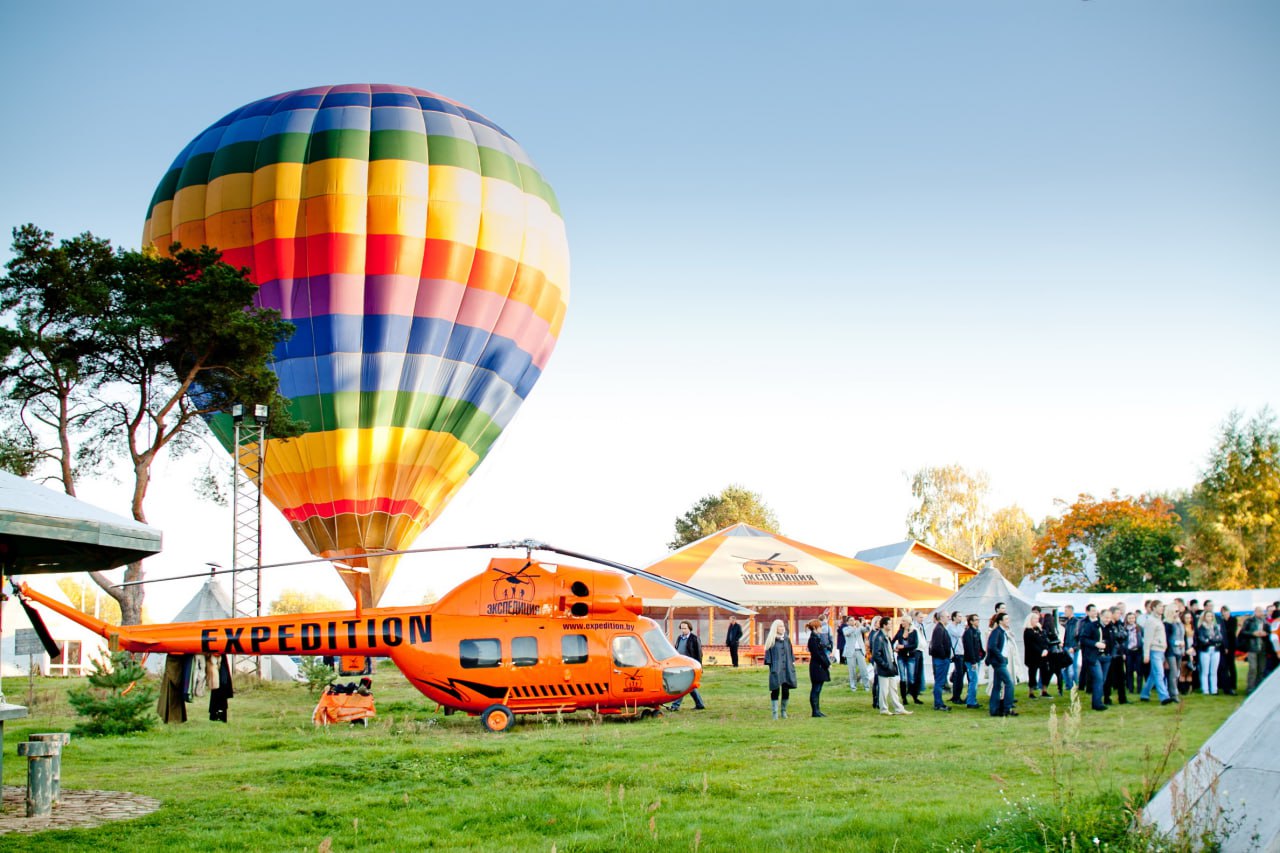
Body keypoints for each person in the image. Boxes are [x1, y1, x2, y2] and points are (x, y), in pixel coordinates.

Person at [872, 616, 911, 716]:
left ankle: (898, 708)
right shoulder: (879, 637)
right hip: (885, 667)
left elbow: (886, 650)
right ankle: (884, 709)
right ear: (884, 625)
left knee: (893, 689)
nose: (891, 625)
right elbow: (876, 654)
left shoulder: (886, 636)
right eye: (889, 624)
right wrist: (885, 665)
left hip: (890, 666)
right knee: (884, 690)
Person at [1140, 600, 1175, 705]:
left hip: (1161, 650)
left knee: (1153, 675)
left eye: (1162, 607)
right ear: (1154, 608)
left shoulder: (1159, 620)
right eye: (1160, 606)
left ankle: (1144, 694)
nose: (1162, 608)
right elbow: (1147, 638)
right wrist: (1146, 654)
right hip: (1155, 649)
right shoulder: (1151, 621)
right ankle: (1164, 697)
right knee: (1159, 674)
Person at [668, 621, 707, 711]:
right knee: (690, 686)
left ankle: (675, 706)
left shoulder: (694, 638)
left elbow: (699, 653)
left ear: (689, 628)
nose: (683, 630)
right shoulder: (679, 638)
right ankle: (700, 704)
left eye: (685, 628)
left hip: (690, 666)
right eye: (681, 628)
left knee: (682, 685)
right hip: (680, 665)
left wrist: (699, 666)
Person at [763, 619, 797, 719]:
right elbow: (768, 656)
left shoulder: (787, 639)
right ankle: (775, 713)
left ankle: (783, 711)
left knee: (786, 690)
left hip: (787, 668)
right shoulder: (771, 640)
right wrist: (772, 668)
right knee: (775, 690)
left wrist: (792, 663)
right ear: (775, 628)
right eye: (780, 626)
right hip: (776, 668)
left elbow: (790, 653)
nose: (782, 628)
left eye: (783, 626)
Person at [985, 612, 1017, 717]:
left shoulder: (1002, 632)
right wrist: (1001, 658)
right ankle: (1007, 708)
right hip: (999, 662)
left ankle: (994, 709)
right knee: (1009, 683)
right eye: (1006, 619)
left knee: (997, 685)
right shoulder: (997, 632)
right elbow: (992, 646)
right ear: (1000, 621)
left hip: (1001, 660)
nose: (1008, 621)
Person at [1078, 604, 1109, 712]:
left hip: (1105, 656)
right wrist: (1095, 643)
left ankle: (1099, 701)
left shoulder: (1108, 627)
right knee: (1098, 678)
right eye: (1106, 617)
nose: (1107, 620)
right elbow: (1083, 639)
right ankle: (1097, 703)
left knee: (1102, 680)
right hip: (1093, 656)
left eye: (1109, 618)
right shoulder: (1090, 626)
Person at [1239, 606, 1269, 694]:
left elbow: (1270, 632)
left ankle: (1258, 687)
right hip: (1252, 647)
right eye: (1259, 611)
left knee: (1261, 668)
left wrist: (1265, 633)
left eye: (1261, 611)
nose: (1261, 613)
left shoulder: (1265, 622)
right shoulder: (1249, 621)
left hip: (1262, 648)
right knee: (1253, 668)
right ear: (1255, 612)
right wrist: (1253, 633)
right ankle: (1250, 688)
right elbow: (1243, 632)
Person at [893, 615, 922, 705]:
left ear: (908, 622)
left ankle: (914, 696)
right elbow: (892, 641)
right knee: (903, 677)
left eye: (904, 621)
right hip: (901, 656)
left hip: (911, 656)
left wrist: (904, 646)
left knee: (911, 678)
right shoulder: (900, 631)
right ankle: (904, 698)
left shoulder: (913, 632)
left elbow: (915, 645)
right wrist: (894, 648)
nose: (902, 623)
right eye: (902, 621)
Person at [1103, 608, 1129, 705]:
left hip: (1119, 653)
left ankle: (1122, 698)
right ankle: (1107, 697)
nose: (1119, 614)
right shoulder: (1108, 626)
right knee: (1109, 677)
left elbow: (1124, 635)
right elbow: (1113, 638)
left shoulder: (1120, 624)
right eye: (1117, 613)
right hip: (1111, 654)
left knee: (1121, 677)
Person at [806, 618, 831, 717]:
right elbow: (817, 654)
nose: (821, 628)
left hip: (819, 666)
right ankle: (815, 711)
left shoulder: (817, 638)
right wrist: (827, 664)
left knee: (818, 689)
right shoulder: (813, 639)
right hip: (817, 666)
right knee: (816, 689)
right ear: (815, 628)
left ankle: (817, 710)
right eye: (820, 626)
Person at [1195, 609, 1223, 695]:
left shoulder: (1215, 627)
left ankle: (1214, 689)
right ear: (1204, 617)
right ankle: (1205, 689)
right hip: (1205, 651)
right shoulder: (1201, 628)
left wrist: (1211, 640)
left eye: (1211, 616)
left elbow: (1220, 638)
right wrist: (1212, 640)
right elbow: (1202, 640)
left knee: (1214, 671)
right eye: (1208, 616)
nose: (1209, 618)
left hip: (1215, 650)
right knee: (1205, 671)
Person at [928, 611, 953, 711]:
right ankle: (938, 703)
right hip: (941, 660)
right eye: (947, 616)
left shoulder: (941, 628)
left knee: (940, 681)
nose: (949, 618)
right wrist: (944, 656)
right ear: (941, 617)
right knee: (939, 682)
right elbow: (937, 645)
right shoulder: (939, 629)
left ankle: (939, 702)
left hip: (942, 659)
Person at [1022, 611, 1049, 700]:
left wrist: (1045, 649)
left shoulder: (1040, 630)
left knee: (1045, 672)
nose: (1037, 620)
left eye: (1038, 619)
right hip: (1032, 656)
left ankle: (1044, 690)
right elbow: (1031, 644)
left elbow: (1045, 640)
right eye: (1035, 618)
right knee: (1032, 673)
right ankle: (1031, 692)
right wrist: (1040, 651)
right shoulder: (1028, 631)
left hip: (1043, 655)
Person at [961, 614, 984, 708]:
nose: (978, 621)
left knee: (974, 680)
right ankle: (970, 701)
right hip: (971, 660)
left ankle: (972, 700)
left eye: (978, 619)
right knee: (973, 680)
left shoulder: (976, 631)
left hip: (976, 658)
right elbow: (969, 648)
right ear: (971, 621)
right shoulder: (969, 632)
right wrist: (973, 661)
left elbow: (978, 645)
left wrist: (982, 653)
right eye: (976, 620)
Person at [946, 611, 967, 705]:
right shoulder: (950, 627)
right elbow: (959, 634)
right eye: (959, 616)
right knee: (959, 675)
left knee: (959, 674)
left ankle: (956, 695)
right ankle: (956, 697)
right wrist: (964, 625)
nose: (960, 618)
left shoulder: (959, 626)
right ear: (954, 617)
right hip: (957, 653)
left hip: (961, 652)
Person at [843, 616, 869, 691]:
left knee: (864, 669)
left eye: (853, 620)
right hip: (850, 651)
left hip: (859, 651)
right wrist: (854, 627)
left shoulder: (859, 628)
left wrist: (864, 623)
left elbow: (867, 629)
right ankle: (853, 687)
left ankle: (866, 686)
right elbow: (846, 633)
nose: (853, 621)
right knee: (852, 670)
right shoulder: (845, 629)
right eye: (851, 620)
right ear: (847, 622)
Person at [1218, 605, 1239, 695]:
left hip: (1231, 645)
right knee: (1224, 665)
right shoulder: (1221, 621)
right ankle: (1223, 683)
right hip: (1224, 645)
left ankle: (1233, 684)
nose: (1224, 613)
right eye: (1223, 612)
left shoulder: (1233, 620)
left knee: (1231, 665)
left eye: (1226, 611)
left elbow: (1231, 631)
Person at [1176, 609, 1197, 695]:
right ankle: (1182, 688)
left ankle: (1189, 688)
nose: (1188, 619)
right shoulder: (1181, 627)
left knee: (1190, 670)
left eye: (1189, 618)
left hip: (1192, 649)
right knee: (1183, 669)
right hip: (1184, 649)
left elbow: (1196, 639)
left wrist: (1193, 648)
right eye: (1186, 618)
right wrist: (1185, 649)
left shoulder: (1193, 627)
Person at [1122, 612, 1144, 694]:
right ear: (1127, 619)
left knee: (1139, 671)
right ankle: (1130, 688)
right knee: (1129, 671)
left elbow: (1143, 638)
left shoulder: (1139, 628)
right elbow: (1122, 641)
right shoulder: (1124, 629)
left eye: (1133, 618)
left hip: (1138, 651)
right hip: (1129, 652)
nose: (1131, 620)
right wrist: (1123, 652)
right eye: (1129, 618)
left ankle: (1139, 689)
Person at [1060, 605, 1079, 691]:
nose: (1065, 612)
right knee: (1065, 667)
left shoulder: (1076, 622)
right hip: (1066, 646)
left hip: (1072, 647)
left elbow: (1077, 636)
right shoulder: (1068, 622)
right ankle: (1068, 684)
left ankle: (1074, 684)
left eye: (1066, 611)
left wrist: (1074, 647)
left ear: (1071, 611)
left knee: (1072, 667)